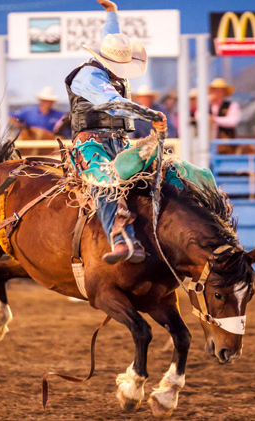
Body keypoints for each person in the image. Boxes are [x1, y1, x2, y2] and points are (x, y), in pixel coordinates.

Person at [65, 0, 167, 264]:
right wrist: (151, 115)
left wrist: (112, 12)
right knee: (104, 180)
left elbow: (111, 35)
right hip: (90, 144)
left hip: (120, 143)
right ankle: (120, 238)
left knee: (165, 173)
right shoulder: (88, 77)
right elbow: (112, 103)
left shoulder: (110, 60)